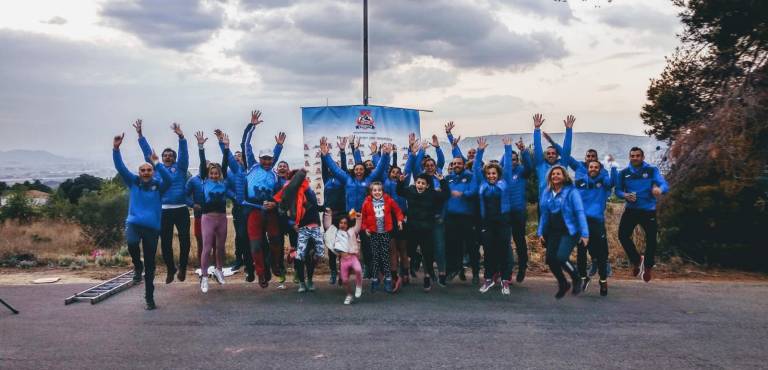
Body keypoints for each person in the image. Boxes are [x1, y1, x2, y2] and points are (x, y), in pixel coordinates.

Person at [113, 131, 171, 310]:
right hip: (134, 223)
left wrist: (157, 163)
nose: (145, 172)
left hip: (152, 228)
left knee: (151, 265)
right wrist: (116, 149)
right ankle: (137, 266)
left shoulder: (158, 186)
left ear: (153, 172)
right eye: (142, 170)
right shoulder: (134, 182)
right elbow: (121, 168)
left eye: (148, 170)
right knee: (131, 243)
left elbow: (169, 179)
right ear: (139, 172)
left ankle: (149, 297)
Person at [320, 137, 391, 279]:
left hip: (364, 216)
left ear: (364, 171)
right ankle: (342, 271)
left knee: (367, 244)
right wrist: (326, 155)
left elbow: (380, 169)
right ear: (354, 170)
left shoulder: (369, 180)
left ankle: (369, 269)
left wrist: (385, 155)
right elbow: (334, 168)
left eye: (361, 169)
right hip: (351, 214)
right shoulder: (347, 179)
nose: (359, 171)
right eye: (356, 169)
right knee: (344, 243)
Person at [134, 120, 190, 284]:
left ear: (174, 157)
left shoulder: (181, 167)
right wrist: (140, 135)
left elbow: (184, 153)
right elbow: (147, 153)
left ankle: (183, 267)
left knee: (184, 240)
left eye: (170, 155)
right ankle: (171, 268)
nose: (167, 156)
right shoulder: (156, 168)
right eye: (165, 155)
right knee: (165, 242)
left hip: (181, 209)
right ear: (161, 157)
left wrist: (181, 137)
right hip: (164, 210)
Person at [241, 110, 286, 288]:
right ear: (259, 159)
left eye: (270, 159)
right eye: (264, 159)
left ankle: (275, 265)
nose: (267, 162)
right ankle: (261, 273)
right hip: (254, 209)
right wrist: (251, 126)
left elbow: (278, 195)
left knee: (276, 240)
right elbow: (245, 144)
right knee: (256, 245)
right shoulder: (251, 167)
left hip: (270, 210)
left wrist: (279, 147)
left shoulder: (274, 175)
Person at [615, 147, 669, 282]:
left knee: (651, 238)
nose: (635, 158)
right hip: (631, 210)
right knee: (622, 235)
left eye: (637, 156)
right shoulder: (624, 173)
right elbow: (617, 191)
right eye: (632, 156)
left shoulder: (651, 170)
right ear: (629, 157)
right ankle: (637, 260)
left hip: (648, 210)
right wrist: (625, 195)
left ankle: (648, 267)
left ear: (642, 157)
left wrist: (659, 189)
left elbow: (664, 184)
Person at [470, 137, 515, 295]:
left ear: (498, 174)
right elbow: (476, 168)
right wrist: (480, 152)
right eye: (488, 173)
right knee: (488, 251)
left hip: (503, 221)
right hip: (487, 222)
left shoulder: (505, 182)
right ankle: (488, 279)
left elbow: (508, 167)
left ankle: (505, 280)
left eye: (494, 173)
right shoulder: (482, 184)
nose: (491, 176)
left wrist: (508, 149)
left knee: (504, 251)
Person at [568, 156, 617, 296]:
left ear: (600, 169)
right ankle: (583, 278)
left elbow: (613, 182)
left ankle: (603, 280)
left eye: (596, 167)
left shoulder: (603, 182)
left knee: (601, 254)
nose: (593, 169)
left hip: (597, 223)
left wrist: (613, 165)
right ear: (587, 169)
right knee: (581, 252)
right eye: (591, 167)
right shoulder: (579, 182)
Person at [538, 166, 589, 299]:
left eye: (558, 174)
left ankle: (576, 278)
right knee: (550, 259)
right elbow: (544, 214)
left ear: (564, 176)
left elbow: (580, 212)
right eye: (553, 174)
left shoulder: (572, 192)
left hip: (570, 231)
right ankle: (563, 283)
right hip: (553, 231)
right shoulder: (547, 192)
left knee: (561, 257)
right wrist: (541, 232)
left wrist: (585, 234)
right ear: (550, 177)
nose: (555, 176)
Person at [194, 131, 234, 293]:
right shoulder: (204, 180)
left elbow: (224, 163)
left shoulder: (223, 181)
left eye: (216, 173)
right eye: (212, 173)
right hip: (208, 218)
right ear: (208, 174)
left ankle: (218, 270)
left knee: (221, 247)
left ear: (220, 174)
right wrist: (201, 146)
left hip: (222, 218)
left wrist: (226, 147)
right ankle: (204, 276)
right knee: (207, 247)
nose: (214, 174)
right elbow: (203, 162)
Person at [397, 172, 449, 292]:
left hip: (426, 229)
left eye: (423, 183)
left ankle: (427, 278)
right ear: (415, 183)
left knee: (428, 253)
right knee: (409, 251)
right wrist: (400, 182)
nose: (420, 185)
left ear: (427, 186)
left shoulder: (432, 194)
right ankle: (410, 266)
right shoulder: (410, 190)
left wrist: (442, 181)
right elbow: (399, 191)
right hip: (412, 228)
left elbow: (445, 195)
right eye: (418, 182)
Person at [274, 169, 324, 293]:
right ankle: (301, 282)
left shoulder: (308, 189)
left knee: (311, 255)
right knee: (300, 256)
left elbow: (314, 207)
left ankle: (310, 280)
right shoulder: (287, 192)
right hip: (296, 228)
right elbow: (281, 211)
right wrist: (292, 225)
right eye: (296, 178)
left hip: (311, 224)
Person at [360, 161, 404, 293]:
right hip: (373, 233)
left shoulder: (388, 200)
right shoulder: (366, 203)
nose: (377, 192)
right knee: (375, 256)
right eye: (374, 190)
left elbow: (397, 211)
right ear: (370, 191)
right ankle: (375, 280)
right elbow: (363, 218)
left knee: (385, 256)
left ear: (382, 190)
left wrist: (400, 221)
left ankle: (388, 281)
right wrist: (365, 228)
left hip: (385, 232)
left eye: (379, 190)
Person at [413, 136, 449, 286]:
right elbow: (415, 166)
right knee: (426, 250)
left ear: (435, 166)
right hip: (424, 220)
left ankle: (442, 274)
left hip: (437, 218)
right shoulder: (421, 178)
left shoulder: (439, 176)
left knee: (440, 248)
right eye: (426, 165)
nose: (429, 167)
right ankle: (427, 275)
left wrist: (437, 147)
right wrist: (421, 150)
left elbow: (445, 197)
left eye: (431, 165)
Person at [383, 138, 415, 292]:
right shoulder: (386, 183)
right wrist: (386, 154)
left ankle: (406, 272)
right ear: (389, 174)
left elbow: (408, 166)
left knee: (403, 249)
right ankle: (394, 275)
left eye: (398, 172)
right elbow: (381, 166)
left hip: (402, 219)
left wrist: (412, 151)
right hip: (389, 221)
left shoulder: (404, 183)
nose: (396, 174)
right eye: (393, 172)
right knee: (392, 249)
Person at [321, 137, 350, 285]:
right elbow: (324, 164)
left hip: (342, 214)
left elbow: (343, 167)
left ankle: (342, 273)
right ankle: (333, 272)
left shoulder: (343, 178)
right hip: (329, 216)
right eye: (332, 166)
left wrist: (343, 151)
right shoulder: (326, 179)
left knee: (342, 245)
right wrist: (323, 154)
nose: (334, 168)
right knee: (331, 245)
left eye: (336, 167)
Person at [323, 209, 363, 304]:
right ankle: (349, 295)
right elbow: (328, 225)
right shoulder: (335, 232)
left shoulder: (352, 231)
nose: (343, 225)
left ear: (348, 224)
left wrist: (358, 217)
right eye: (341, 223)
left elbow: (358, 226)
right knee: (344, 280)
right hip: (343, 260)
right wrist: (329, 214)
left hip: (353, 258)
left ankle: (359, 285)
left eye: (345, 223)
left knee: (358, 270)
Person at [532, 114, 574, 199]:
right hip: (544, 203)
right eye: (548, 153)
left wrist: (569, 130)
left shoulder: (562, 165)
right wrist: (537, 130)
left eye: (553, 153)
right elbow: (537, 147)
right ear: (545, 155)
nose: (551, 155)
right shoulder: (541, 165)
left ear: (557, 155)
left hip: (560, 202)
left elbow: (566, 150)